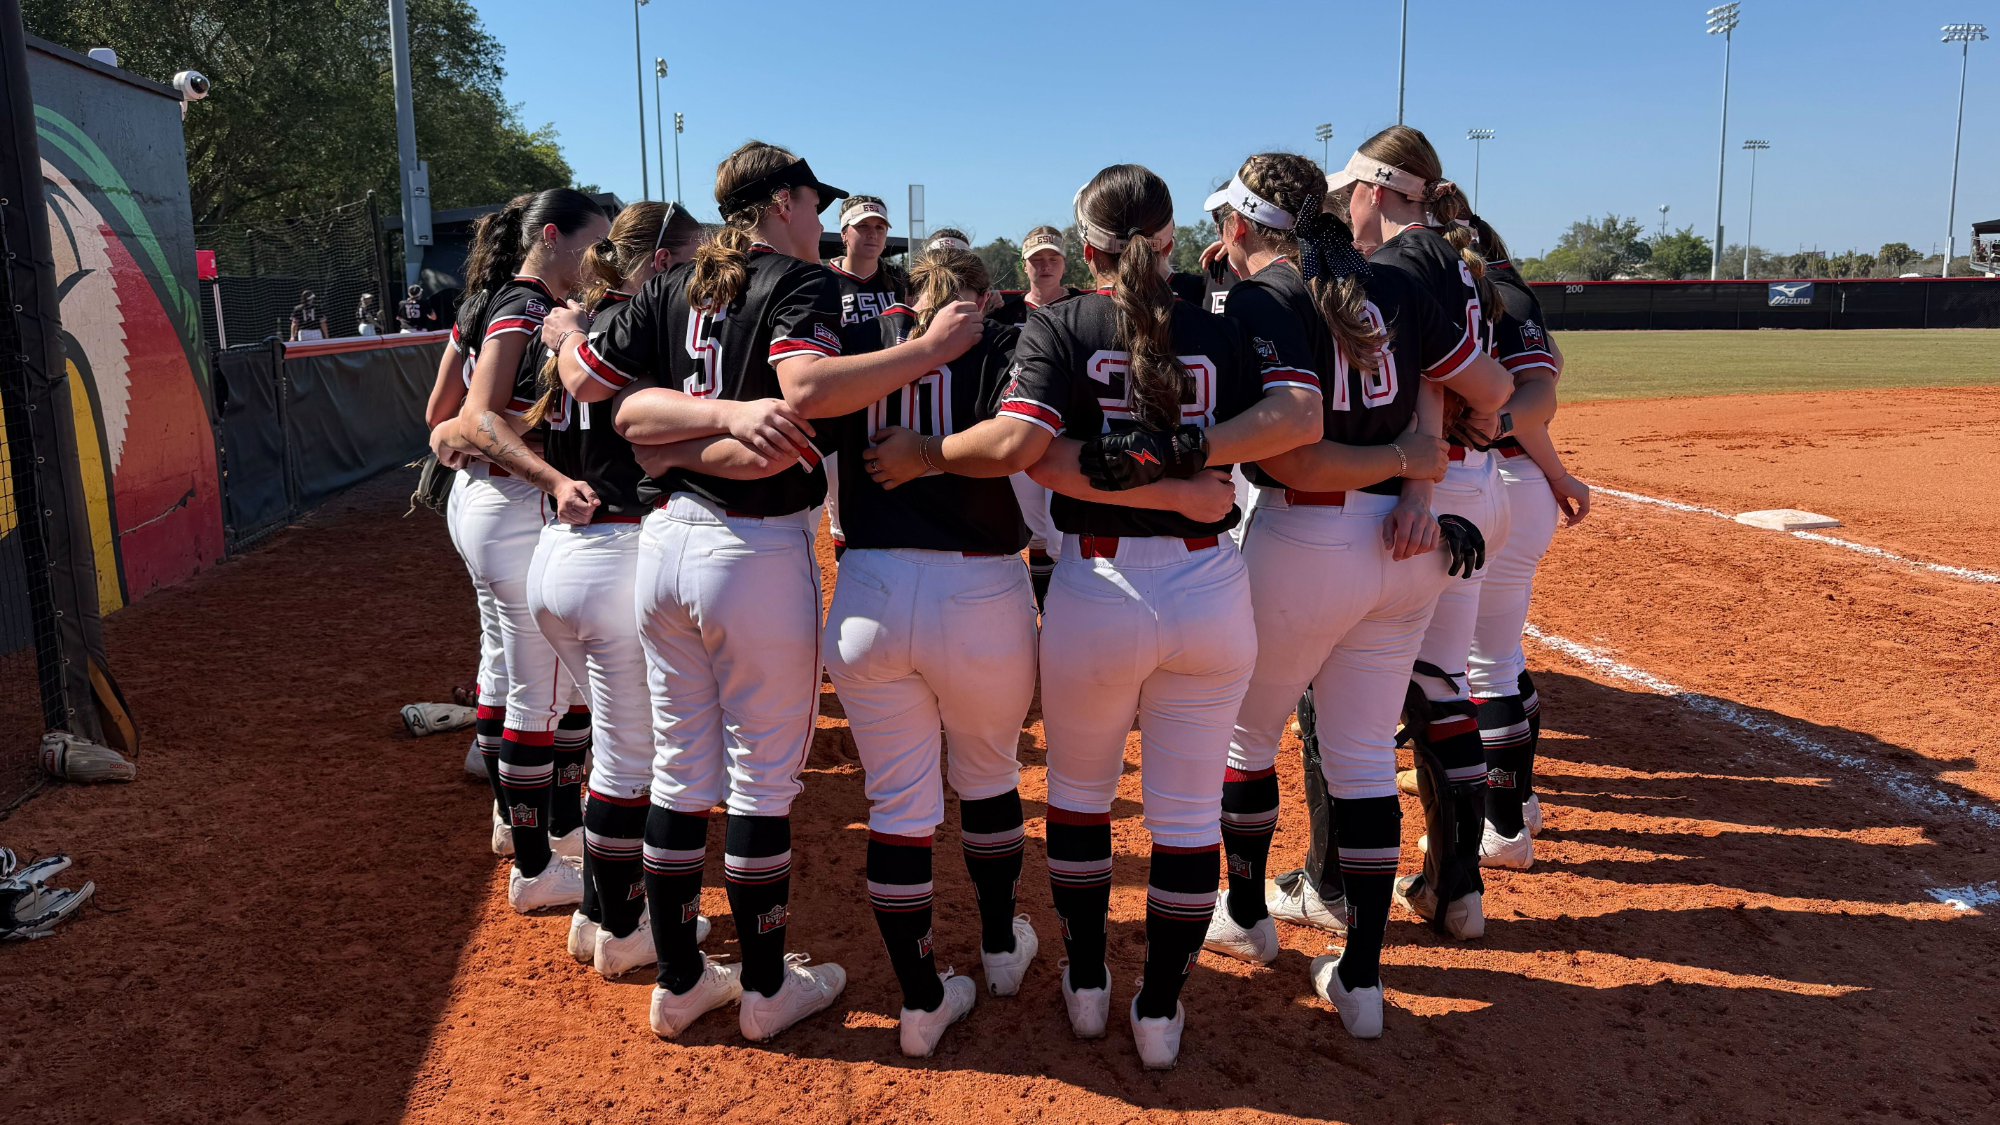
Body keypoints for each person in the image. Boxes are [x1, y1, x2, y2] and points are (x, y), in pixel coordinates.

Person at [874, 164, 1320, 1069]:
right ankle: (1159, 1009)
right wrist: (1186, 478)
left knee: (1078, 803)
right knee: (1189, 816)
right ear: (1168, 241)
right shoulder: (1220, 324)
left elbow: (1026, 451)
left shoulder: (1063, 320)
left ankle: (1086, 980)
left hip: (1098, 587)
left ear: (1088, 251)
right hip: (1207, 585)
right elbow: (1295, 419)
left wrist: (931, 452)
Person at [542, 140, 983, 1043]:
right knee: (760, 782)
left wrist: (676, 443)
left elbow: (604, 396)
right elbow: (805, 393)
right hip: (751, 552)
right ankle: (767, 989)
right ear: (782, 202)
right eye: (814, 203)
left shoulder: (675, 282)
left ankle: (678, 979)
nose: (819, 219)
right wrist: (930, 349)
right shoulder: (795, 279)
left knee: (677, 767)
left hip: (662, 546)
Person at [1204, 153, 1510, 1039]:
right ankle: (1364, 979)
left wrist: (1407, 469)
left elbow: (1293, 455)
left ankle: (1248, 911)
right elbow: (1454, 393)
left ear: (1243, 226)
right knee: (1366, 758)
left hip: (1307, 534)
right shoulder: (1392, 281)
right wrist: (1419, 480)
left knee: (1245, 734)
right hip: (1403, 546)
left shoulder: (1268, 296)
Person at [809, 248, 1038, 1058]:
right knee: (988, 777)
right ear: (980, 294)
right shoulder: (1007, 341)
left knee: (900, 807)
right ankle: (1001, 951)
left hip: (869, 586)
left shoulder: (864, 346)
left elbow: (811, 443)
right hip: (980, 592)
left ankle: (918, 1000)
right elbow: (1029, 453)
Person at [1329, 124, 1509, 942]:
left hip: (1426, 487)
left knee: (1348, 695)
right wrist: (1483, 419)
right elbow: (1492, 383)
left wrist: (1423, 476)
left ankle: (1334, 883)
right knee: (1444, 683)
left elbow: (1443, 379)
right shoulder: (1456, 255)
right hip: (1472, 484)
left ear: (1373, 189)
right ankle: (1457, 888)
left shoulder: (1404, 263)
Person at [521, 201, 710, 978]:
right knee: (635, 760)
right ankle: (627, 929)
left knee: (612, 750)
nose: (702, 268)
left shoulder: (576, 319)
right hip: (615, 548)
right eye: (692, 256)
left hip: (558, 551)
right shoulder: (639, 323)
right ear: (660, 261)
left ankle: (599, 913)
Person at [428, 188, 610, 912]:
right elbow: (468, 416)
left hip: (484, 501)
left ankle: (520, 824)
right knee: (545, 684)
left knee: (507, 669)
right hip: (511, 501)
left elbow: (440, 418)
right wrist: (549, 458)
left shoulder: (487, 299)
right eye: (594, 244)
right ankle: (538, 863)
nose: (600, 261)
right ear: (555, 236)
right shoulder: (525, 306)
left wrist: (477, 435)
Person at [1457, 217, 1589, 867]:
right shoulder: (1510, 291)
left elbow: (1529, 398)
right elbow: (1544, 384)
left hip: (1487, 479)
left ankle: (1503, 826)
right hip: (1521, 479)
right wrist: (1557, 470)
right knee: (1500, 656)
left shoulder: (1461, 289)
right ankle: (1522, 803)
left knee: (1476, 663)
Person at [985, 225, 1082, 607]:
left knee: (1061, 530)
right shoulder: (1005, 311)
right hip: (1018, 426)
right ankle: (1035, 614)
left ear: (1064, 262)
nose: (1045, 266)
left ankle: (1059, 614)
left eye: (1052, 259)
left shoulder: (1082, 305)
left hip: (1070, 430)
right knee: (1031, 528)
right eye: (1036, 260)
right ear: (1023, 265)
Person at [822, 194, 909, 557]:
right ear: (844, 233)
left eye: (879, 227)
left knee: (892, 498)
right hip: (837, 408)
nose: (872, 235)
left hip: (889, 404)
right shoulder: (819, 280)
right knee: (841, 508)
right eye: (863, 227)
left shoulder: (902, 284)